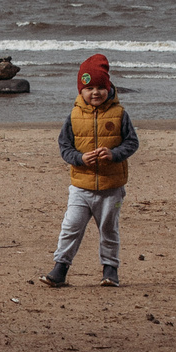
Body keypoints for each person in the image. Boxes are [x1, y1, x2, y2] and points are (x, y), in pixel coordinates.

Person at [43, 53, 139, 288]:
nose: (95, 93)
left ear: (108, 88)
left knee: (109, 229)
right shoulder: (74, 116)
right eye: (89, 88)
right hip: (80, 187)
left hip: (112, 187)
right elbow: (64, 147)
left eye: (100, 87)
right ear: (81, 91)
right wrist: (79, 158)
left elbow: (132, 142)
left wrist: (114, 154)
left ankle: (110, 270)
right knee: (71, 227)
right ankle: (60, 268)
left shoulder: (119, 114)